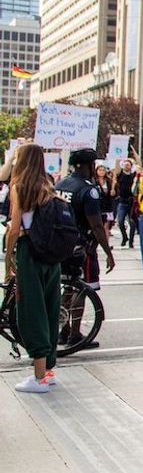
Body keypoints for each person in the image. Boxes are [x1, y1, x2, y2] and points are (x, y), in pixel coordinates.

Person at [5, 144, 64, 392]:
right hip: (51, 255)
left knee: (31, 311)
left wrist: (9, 254)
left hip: (30, 252)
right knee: (50, 309)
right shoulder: (48, 185)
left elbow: (15, 227)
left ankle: (39, 377)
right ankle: (48, 370)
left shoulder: (20, 187)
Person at [55, 148, 116, 349]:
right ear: (90, 166)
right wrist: (108, 252)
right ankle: (74, 334)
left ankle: (62, 330)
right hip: (81, 246)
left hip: (60, 244)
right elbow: (96, 225)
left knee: (66, 288)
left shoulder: (61, 184)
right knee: (81, 288)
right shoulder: (88, 189)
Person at [113, 158, 137, 248]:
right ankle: (124, 237)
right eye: (125, 164)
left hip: (131, 202)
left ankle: (131, 241)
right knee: (120, 221)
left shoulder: (133, 176)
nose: (127, 166)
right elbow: (116, 169)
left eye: (128, 164)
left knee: (132, 222)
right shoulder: (120, 175)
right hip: (122, 201)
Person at [94, 164, 115, 235]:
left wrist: (113, 191)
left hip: (107, 206)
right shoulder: (94, 181)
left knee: (106, 226)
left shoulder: (109, 181)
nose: (102, 172)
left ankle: (106, 243)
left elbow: (114, 193)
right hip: (98, 206)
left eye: (103, 170)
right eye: (100, 170)